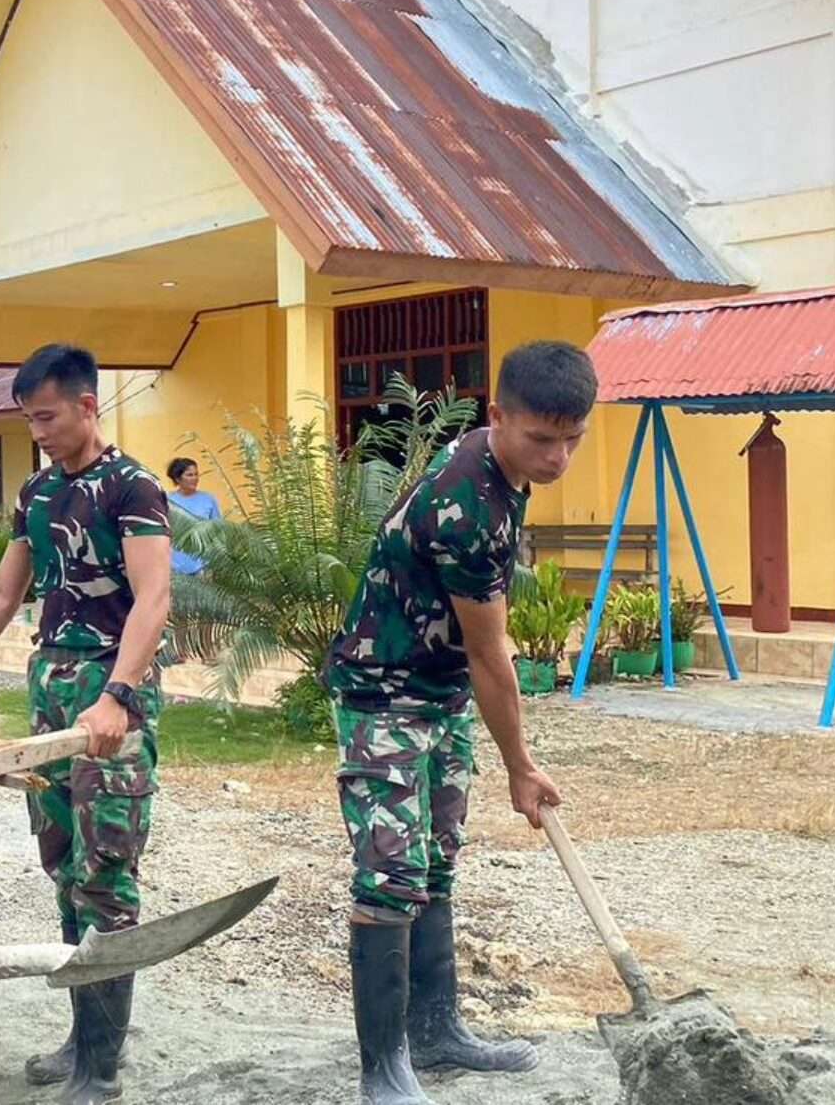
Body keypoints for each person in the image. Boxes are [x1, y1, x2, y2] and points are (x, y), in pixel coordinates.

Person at [326, 341, 595, 1105]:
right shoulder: (465, 505)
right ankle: (385, 1067)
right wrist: (521, 765)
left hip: (436, 692)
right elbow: (491, 655)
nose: (558, 457)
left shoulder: (502, 466)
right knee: (389, 872)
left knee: (436, 859)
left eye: (572, 438)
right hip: (384, 695)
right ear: (498, 415)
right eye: (542, 439)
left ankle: (436, 1031)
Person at [0, 343, 171, 1105]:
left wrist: (118, 696)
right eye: (30, 421)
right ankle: (79, 1039)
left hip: (109, 695)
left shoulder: (133, 488)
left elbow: (153, 601)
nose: (41, 433)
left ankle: (102, 1068)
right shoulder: (36, 492)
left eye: (49, 417)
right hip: (52, 683)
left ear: (89, 406)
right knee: (62, 866)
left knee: (107, 873)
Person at [164, 457, 220, 577]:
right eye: (189, 475)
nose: (195, 478)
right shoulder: (167, 501)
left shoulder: (208, 499)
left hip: (202, 565)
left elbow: (218, 531)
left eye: (196, 474)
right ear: (177, 478)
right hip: (174, 565)